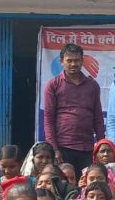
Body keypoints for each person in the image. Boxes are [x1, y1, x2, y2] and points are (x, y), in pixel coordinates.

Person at [44, 43, 105, 173]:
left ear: (82, 61)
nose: (73, 64)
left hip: (87, 148)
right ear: (62, 62)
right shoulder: (53, 85)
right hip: (63, 147)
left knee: (86, 182)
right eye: (69, 60)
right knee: (65, 182)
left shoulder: (92, 85)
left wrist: (100, 146)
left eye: (76, 60)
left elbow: (98, 119)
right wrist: (54, 149)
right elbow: (48, 119)